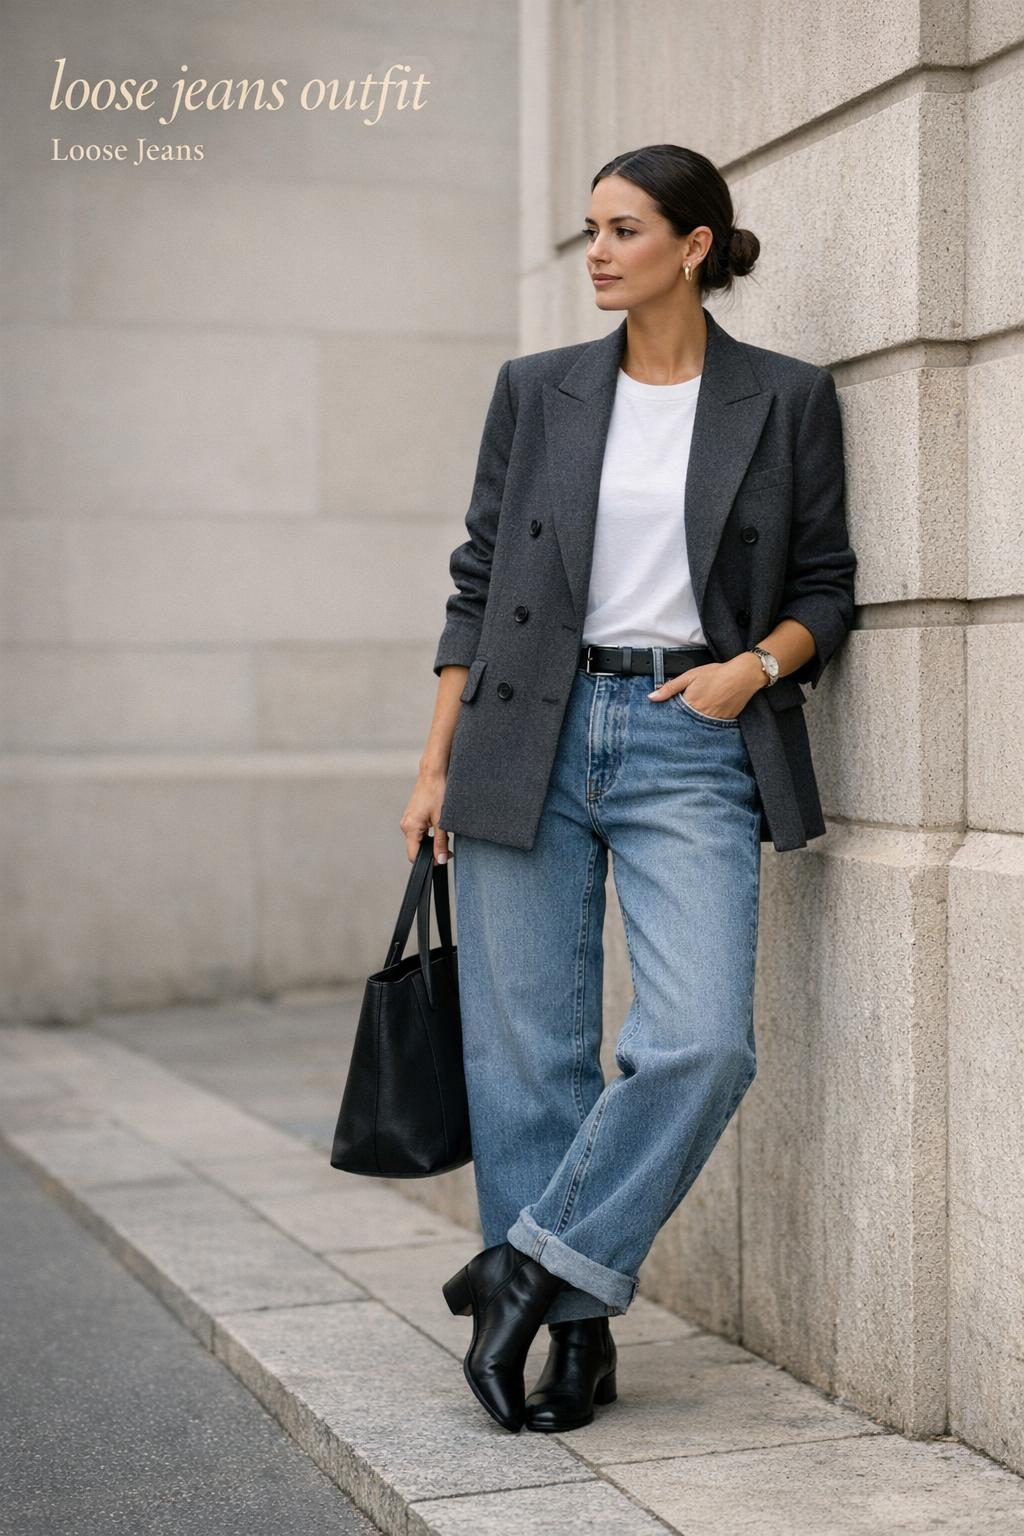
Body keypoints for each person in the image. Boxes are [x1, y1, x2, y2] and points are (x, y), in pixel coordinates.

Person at [401, 143, 857, 1435]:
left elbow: (830, 582)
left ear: (695, 244)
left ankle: (528, 1269)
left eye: (624, 228)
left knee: (703, 1039)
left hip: (688, 735)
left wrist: (754, 669)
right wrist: (434, 764)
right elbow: (479, 583)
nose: (596, 250)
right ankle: (575, 1347)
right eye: (588, 228)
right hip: (520, 732)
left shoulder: (785, 398)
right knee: (529, 1058)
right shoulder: (538, 390)